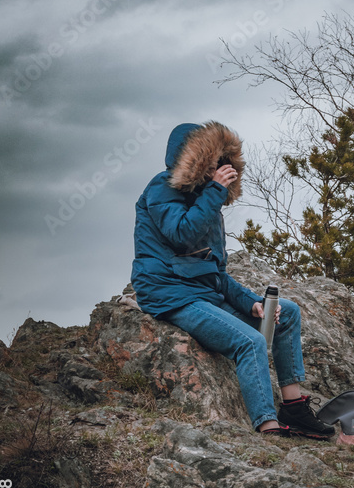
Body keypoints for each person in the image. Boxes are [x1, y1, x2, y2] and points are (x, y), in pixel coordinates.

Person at [130, 121, 335, 439]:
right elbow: (182, 234)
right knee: (249, 342)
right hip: (169, 293)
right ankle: (268, 426)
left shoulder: (206, 199)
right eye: (212, 159)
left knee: (287, 313)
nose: (219, 167)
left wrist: (251, 303)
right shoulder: (162, 188)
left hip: (201, 291)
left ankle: (294, 409)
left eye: (222, 160)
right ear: (194, 158)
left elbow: (215, 271)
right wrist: (214, 191)